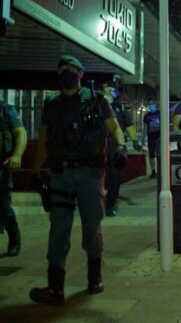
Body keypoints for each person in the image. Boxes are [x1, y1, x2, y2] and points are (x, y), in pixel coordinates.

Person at [30, 55, 128, 306]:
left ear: (81, 73)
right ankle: (55, 288)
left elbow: (114, 127)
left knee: (91, 228)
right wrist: (36, 170)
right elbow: (44, 139)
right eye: (61, 67)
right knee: (57, 231)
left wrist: (121, 146)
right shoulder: (52, 104)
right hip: (60, 175)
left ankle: (94, 278)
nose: (65, 71)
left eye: (71, 68)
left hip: (89, 175)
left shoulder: (95, 100)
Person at [102, 80, 142, 217]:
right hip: (99, 146)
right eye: (113, 90)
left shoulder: (119, 108)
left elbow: (129, 125)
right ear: (106, 89)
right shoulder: (96, 106)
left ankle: (110, 205)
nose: (115, 93)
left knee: (115, 177)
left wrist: (135, 140)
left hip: (116, 147)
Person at [1, 99, 28, 257]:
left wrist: (17, 155)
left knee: (3, 206)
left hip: (1, 164)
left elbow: (20, 132)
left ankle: (14, 237)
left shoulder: (5, 110)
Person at [142, 99, 161, 178]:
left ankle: (161, 170)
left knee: (160, 154)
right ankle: (153, 171)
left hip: (159, 137)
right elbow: (145, 127)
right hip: (151, 137)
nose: (151, 106)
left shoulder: (160, 113)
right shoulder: (147, 116)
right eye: (149, 104)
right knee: (152, 155)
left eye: (152, 104)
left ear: (155, 104)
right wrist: (143, 138)